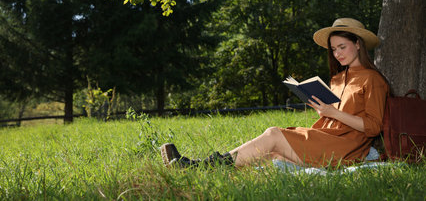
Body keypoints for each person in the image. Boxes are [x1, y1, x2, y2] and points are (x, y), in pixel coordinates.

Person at [160, 18, 390, 168]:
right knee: (269, 152)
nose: (337, 54)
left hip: (345, 147)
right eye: (333, 49)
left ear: (358, 44)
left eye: (342, 47)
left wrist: (334, 113)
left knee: (273, 134)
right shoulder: (338, 78)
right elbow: (336, 115)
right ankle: (202, 167)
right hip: (325, 137)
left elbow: (373, 127)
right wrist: (325, 112)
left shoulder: (373, 79)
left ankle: (200, 166)